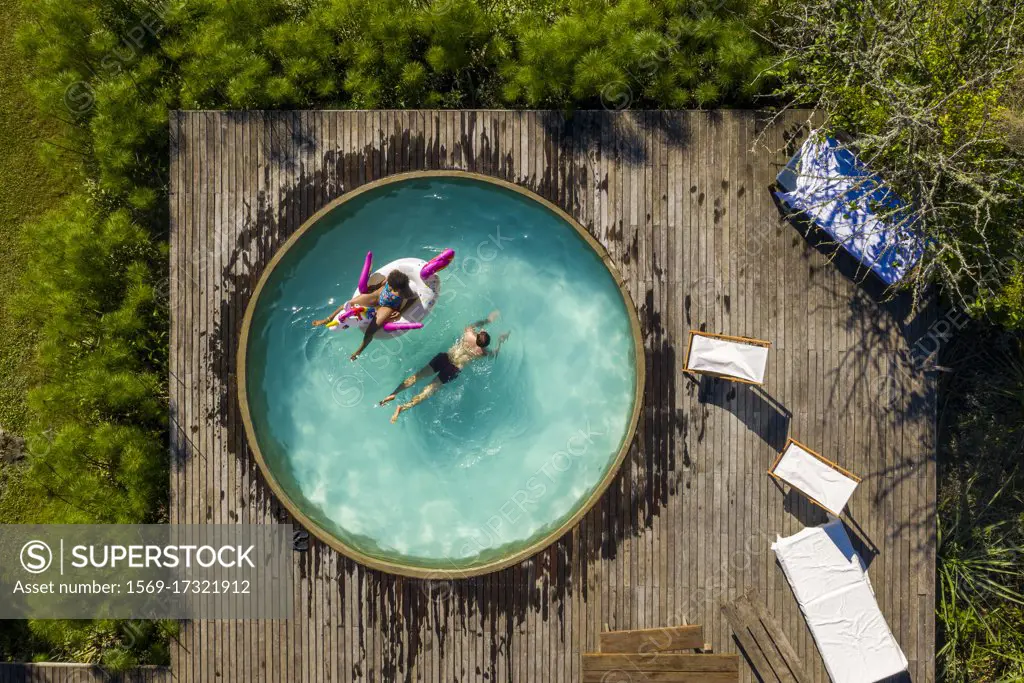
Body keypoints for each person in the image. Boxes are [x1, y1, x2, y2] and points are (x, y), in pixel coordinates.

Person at [380, 310, 510, 423]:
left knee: (417, 376)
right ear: (484, 345)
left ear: (479, 335)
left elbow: (475, 325)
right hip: (453, 369)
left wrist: (487, 321)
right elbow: (495, 353)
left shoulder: (468, 334)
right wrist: (500, 340)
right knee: (427, 391)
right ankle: (402, 408)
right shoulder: (482, 352)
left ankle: (393, 393)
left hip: (445, 358)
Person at [313, 270, 419, 361]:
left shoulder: (405, 292)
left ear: (398, 289)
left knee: (371, 330)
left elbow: (413, 298)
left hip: (388, 306)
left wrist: (400, 311)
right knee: (349, 304)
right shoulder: (392, 277)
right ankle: (328, 319)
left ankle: (359, 351)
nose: (389, 286)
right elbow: (384, 282)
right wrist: (375, 286)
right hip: (377, 296)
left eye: (391, 286)